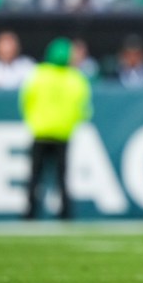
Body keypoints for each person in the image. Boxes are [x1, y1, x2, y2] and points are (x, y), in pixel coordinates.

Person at [19, 37, 92, 219]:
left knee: (35, 177)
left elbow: (25, 101)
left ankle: (29, 214)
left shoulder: (38, 75)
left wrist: (34, 121)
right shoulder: (76, 78)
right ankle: (65, 214)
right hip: (62, 134)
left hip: (41, 132)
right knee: (62, 178)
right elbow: (84, 110)